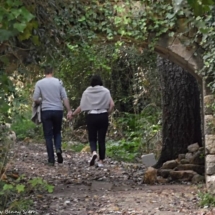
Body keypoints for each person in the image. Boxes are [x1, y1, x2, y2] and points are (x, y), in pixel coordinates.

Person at [32, 67, 72, 165]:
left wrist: (42, 100)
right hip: (58, 110)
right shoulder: (59, 82)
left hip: (46, 111)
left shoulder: (39, 83)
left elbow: (35, 99)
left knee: (48, 136)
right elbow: (64, 98)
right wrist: (69, 110)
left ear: (44, 72)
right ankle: (58, 148)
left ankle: (51, 160)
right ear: (52, 72)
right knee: (57, 132)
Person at [72, 75, 114, 167]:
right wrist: (108, 113)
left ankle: (94, 152)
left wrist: (73, 114)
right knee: (102, 139)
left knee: (92, 138)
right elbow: (112, 104)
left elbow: (81, 106)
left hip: (92, 116)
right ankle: (101, 161)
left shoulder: (87, 92)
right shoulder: (106, 91)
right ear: (100, 82)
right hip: (103, 115)